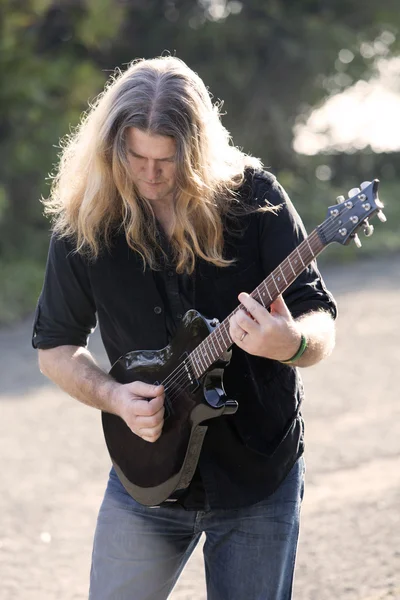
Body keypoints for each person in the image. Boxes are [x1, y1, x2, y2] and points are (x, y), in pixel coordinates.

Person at [32, 56, 337, 600]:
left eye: (167, 160)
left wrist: (291, 344)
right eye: (136, 156)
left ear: (196, 151)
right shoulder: (86, 223)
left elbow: (318, 318)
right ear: (112, 146)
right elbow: (56, 348)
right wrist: (115, 397)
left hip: (257, 477)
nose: (150, 174)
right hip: (145, 478)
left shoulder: (256, 201)